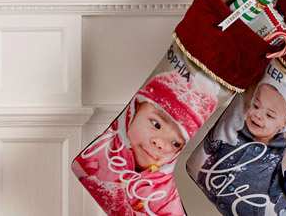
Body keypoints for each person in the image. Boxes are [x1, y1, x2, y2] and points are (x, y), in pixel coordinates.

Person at [73, 71, 218, 216]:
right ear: (134, 111)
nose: (160, 143)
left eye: (175, 143)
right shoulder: (100, 154)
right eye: (156, 124)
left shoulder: (163, 194)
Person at [195, 73, 286, 216]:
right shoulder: (236, 134)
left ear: (283, 125)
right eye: (256, 105)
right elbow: (211, 148)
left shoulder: (273, 156)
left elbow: (273, 189)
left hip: (248, 202)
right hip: (213, 181)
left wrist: (284, 209)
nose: (258, 115)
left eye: (270, 115)